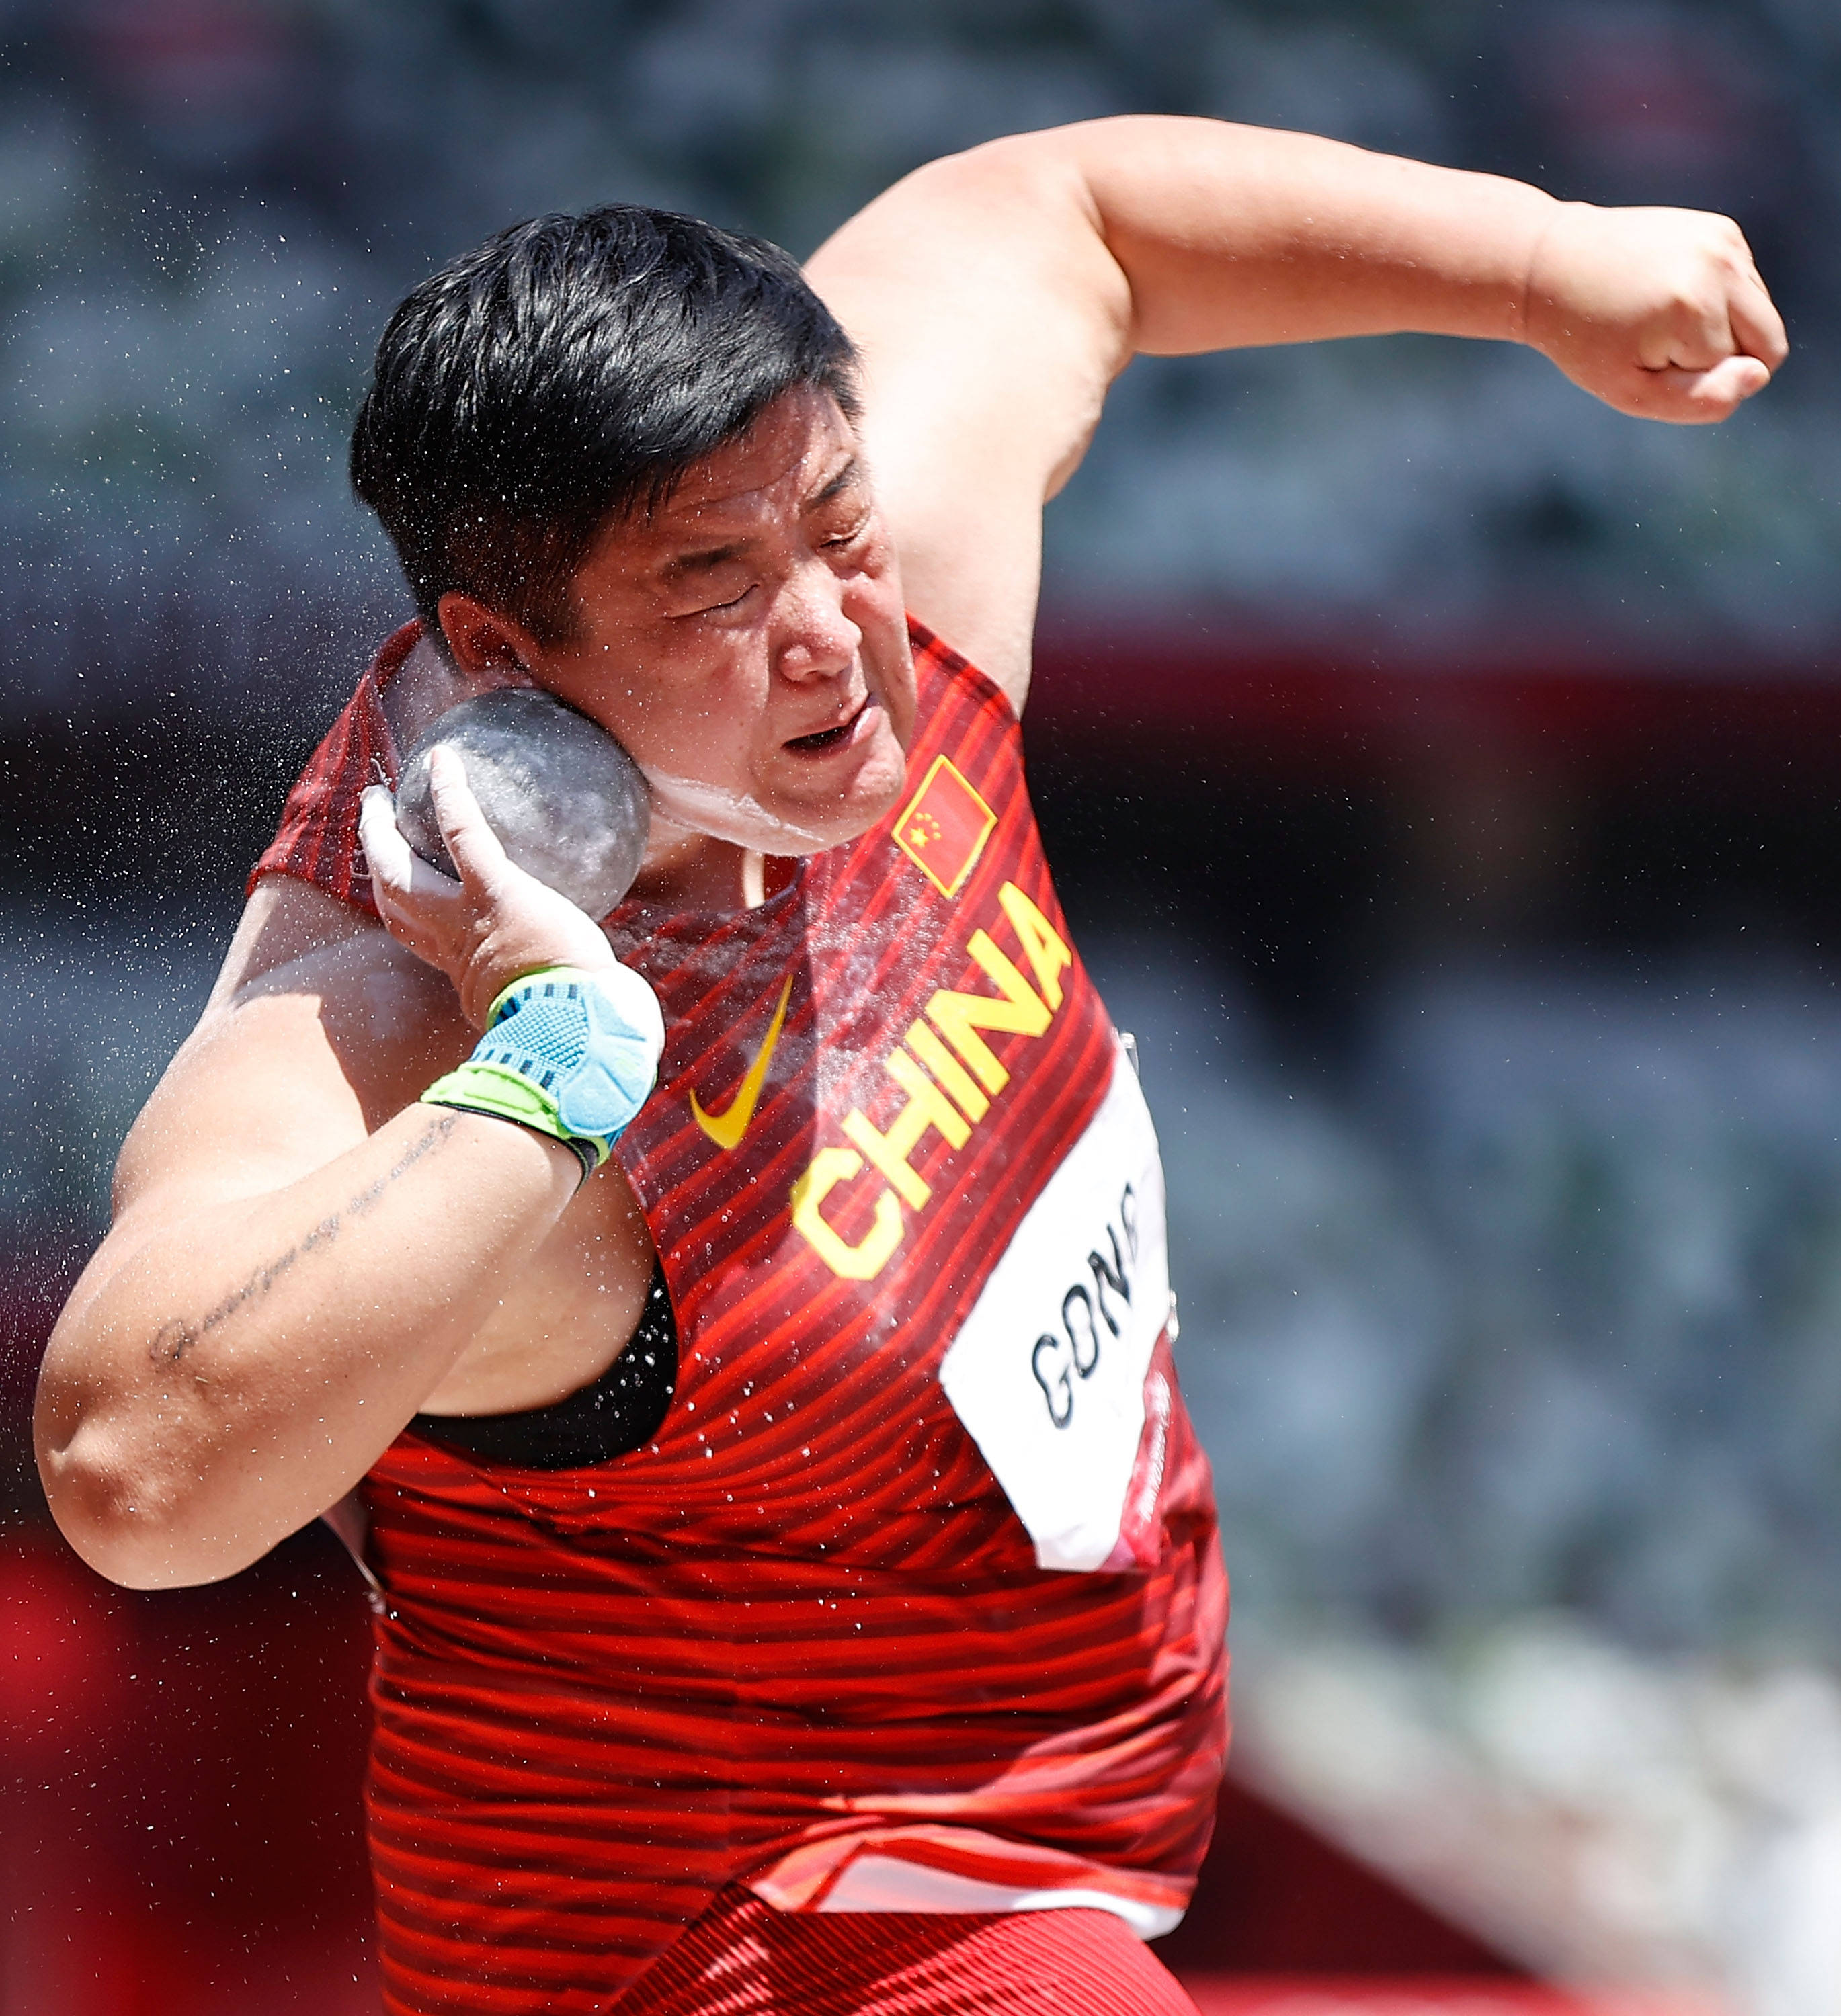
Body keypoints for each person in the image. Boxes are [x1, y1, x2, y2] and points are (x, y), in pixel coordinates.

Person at [34, 116, 1783, 2016]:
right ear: (499, 651)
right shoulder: (393, 1012)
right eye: (715, 587)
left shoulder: (878, 579)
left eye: (839, 531)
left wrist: (1535, 262)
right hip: (759, 1938)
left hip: (1031, 1825)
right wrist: (544, 1077)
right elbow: (132, 1471)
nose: (827, 637)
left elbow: (1062, 219)